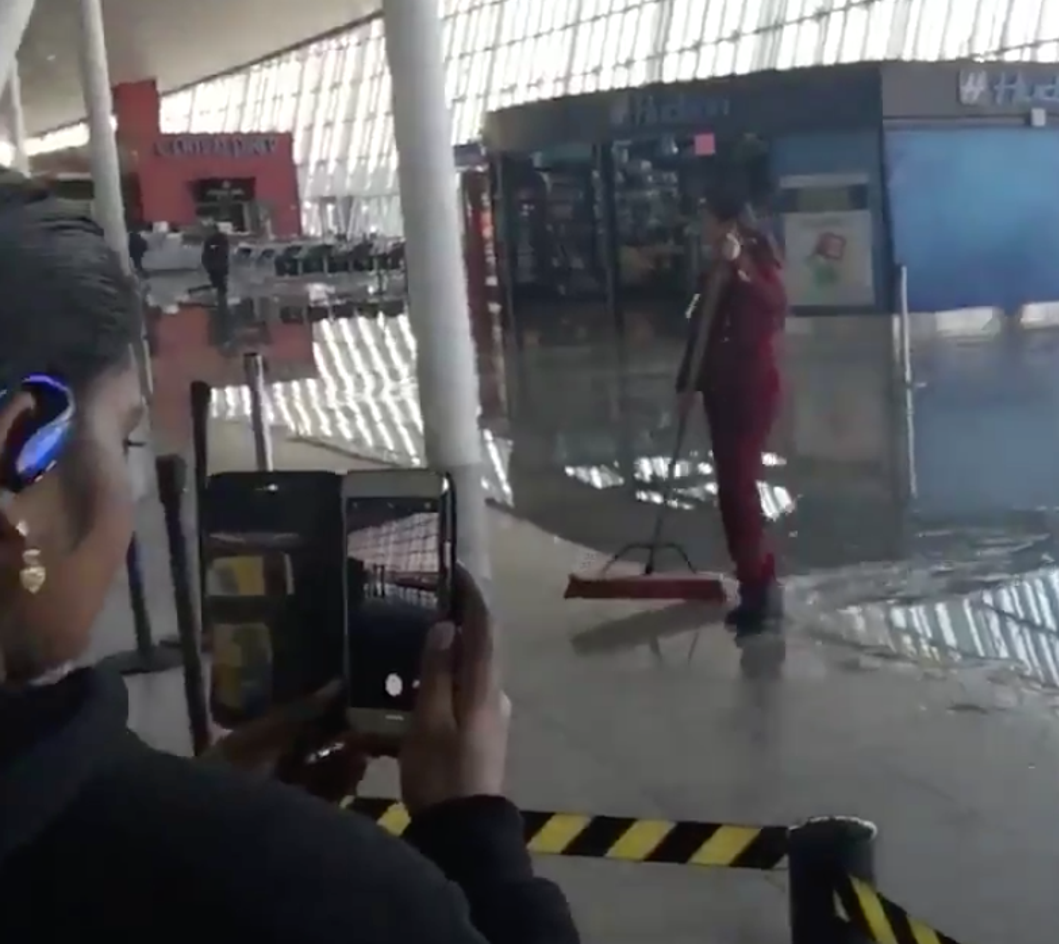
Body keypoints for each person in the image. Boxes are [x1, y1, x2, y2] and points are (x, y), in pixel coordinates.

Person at [0, 170, 578, 944]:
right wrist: (473, 836)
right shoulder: (328, 895)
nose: (130, 489)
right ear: (20, 451)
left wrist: (200, 797)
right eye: (124, 435)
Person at [676, 191, 786, 634]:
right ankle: (751, 583)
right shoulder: (713, 271)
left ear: (728, 223)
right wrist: (686, 384)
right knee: (729, 492)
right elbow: (700, 327)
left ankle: (762, 588)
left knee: (740, 489)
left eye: (707, 219)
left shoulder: (756, 262)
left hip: (751, 391)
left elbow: (775, 304)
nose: (702, 228)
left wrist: (740, 266)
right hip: (718, 391)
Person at [201, 221, 232, 308]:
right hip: (212, 266)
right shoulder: (209, 240)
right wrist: (206, 264)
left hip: (220, 265)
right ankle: (220, 301)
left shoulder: (221, 238)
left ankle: (222, 302)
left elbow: (223, 251)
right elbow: (205, 253)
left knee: (221, 284)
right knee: (216, 283)